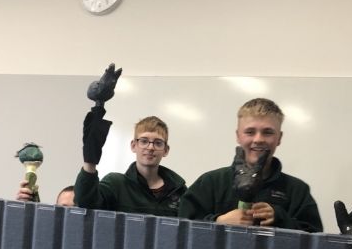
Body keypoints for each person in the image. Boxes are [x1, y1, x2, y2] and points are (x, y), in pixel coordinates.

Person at [179, 98, 323, 233]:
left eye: (268, 132)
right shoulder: (210, 182)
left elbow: (314, 238)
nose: (258, 139)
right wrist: (217, 222)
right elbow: (181, 228)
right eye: (250, 132)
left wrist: (280, 219)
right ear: (238, 136)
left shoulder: (297, 190)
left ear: (279, 138)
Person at [74, 115, 187, 216]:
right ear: (133, 146)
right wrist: (90, 162)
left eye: (158, 143)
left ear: (166, 150)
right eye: (144, 141)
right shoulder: (116, 185)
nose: (150, 147)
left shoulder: (179, 191)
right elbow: (86, 203)